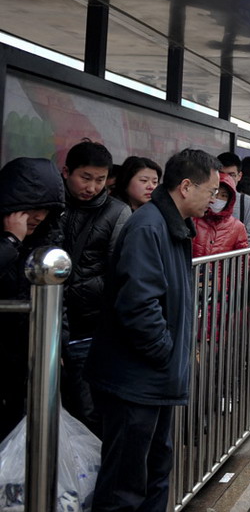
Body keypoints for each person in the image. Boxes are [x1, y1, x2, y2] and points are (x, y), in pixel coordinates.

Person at [86, 148, 221, 511]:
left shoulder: (170, 224)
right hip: (136, 379)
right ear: (186, 186)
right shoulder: (149, 226)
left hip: (152, 379)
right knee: (126, 484)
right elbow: (139, 304)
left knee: (153, 472)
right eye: (211, 191)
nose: (214, 200)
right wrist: (165, 351)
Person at [60, 140, 131, 435]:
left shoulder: (117, 213)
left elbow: (119, 271)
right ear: (66, 172)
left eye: (100, 180)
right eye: (85, 178)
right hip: (48, 325)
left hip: (89, 327)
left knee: (87, 410)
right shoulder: (52, 205)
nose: (92, 187)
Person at [0, 157, 66, 441]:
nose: (38, 216)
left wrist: (57, 344)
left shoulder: (45, 241)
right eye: (30, 208)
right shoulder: (12, 240)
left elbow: (59, 300)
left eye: (45, 209)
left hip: (24, 357)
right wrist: (10, 241)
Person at [192, 172, 249, 257]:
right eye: (215, 193)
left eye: (224, 195)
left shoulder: (237, 227)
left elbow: (243, 262)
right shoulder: (193, 218)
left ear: (230, 200)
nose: (217, 199)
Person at [217, 152, 250, 247]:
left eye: (231, 175)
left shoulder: (246, 202)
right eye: (222, 174)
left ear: (239, 176)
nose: (226, 178)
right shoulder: (206, 197)